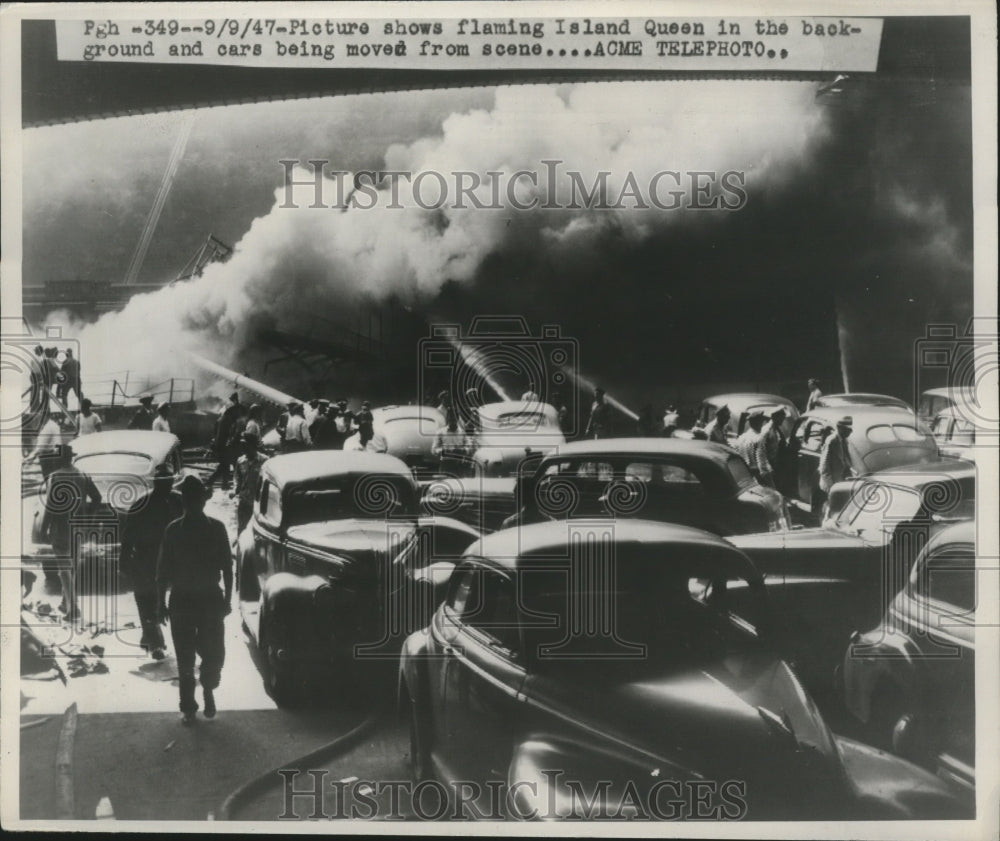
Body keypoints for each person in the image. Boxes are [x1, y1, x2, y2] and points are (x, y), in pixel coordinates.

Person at [156, 475, 233, 724]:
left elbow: (228, 569)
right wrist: (160, 603)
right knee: (185, 657)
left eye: (197, 498)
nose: (193, 503)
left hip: (210, 598)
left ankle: (208, 688)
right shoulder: (172, 530)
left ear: (203, 500)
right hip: (182, 600)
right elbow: (162, 571)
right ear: (185, 502)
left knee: (214, 654)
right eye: (189, 498)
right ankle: (188, 706)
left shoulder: (217, 528)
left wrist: (228, 600)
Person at [120, 465, 181, 660]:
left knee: (174, 602)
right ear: (155, 482)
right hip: (145, 559)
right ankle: (154, 640)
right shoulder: (141, 503)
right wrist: (124, 561)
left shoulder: (178, 501)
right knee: (145, 600)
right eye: (162, 482)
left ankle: (159, 638)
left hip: (171, 559)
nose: (167, 485)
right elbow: (127, 536)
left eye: (169, 481)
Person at [39, 445, 102, 623]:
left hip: (60, 528)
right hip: (79, 528)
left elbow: (51, 506)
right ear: (71, 458)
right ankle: (65, 601)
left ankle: (73, 608)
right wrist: (88, 516)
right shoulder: (83, 475)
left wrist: (44, 529)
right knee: (71, 566)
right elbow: (97, 498)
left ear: (59, 459)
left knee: (64, 569)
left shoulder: (55, 477)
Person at [817, 416, 854, 514]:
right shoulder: (832, 441)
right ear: (840, 428)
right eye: (848, 429)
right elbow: (824, 466)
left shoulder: (844, 440)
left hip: (841, 480)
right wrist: (830, 487)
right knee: (832, 508)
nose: (850, 432)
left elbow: (847, 461)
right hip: (832, 482)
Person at [232, 434, 267, 535]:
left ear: (253, 445)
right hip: (244, 501)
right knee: (242, 529)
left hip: (258, 503)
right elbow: (237, 479)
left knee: (257, 531)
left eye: (245, 444)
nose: (243, 447)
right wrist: (235, 490)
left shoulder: (264, 461)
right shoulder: (240, 461)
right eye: (242, 444)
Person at [206, 394, 241, 489]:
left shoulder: (223, 419)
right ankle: (210, 482)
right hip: (222, 447)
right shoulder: (226, 420)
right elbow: (223, 436)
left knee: (225, 466)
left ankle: (224, 484)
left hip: (221, 447)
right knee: (223, 466)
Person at [735, 410, 774, 486]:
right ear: (759, 423)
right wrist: (770, 481)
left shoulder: (741, 438)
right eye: (761, 422)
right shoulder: (758, 438)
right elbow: (762, 463)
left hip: (744, 474)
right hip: (757, 474)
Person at [27, 409, 65, 479]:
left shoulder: (48, 428)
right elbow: (58, 443)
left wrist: (31, 457)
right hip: (55, 455)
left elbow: (41, 446)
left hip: (48, 457)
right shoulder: (53, 425)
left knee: (48, 479)